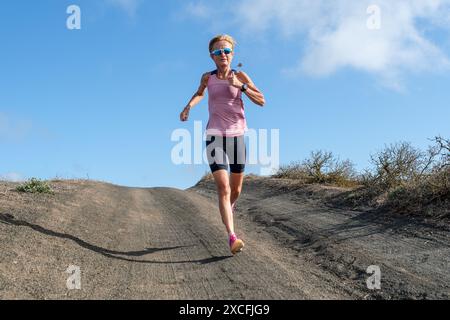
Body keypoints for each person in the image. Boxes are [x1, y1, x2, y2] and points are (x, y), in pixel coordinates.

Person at [179, 34, 265, 255]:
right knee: (223, 188)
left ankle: (229, 208)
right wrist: (188, 106)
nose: (223, 55)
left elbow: (262, 100)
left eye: (226, 51)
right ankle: (231, 236)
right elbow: (200, 94)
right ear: (212, 56)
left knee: (235, 189)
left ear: (232, 54)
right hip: (214, 137)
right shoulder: (208, 77)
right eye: (218, 52)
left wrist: (241, 87)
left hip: (237, 139)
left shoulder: (241, 75)